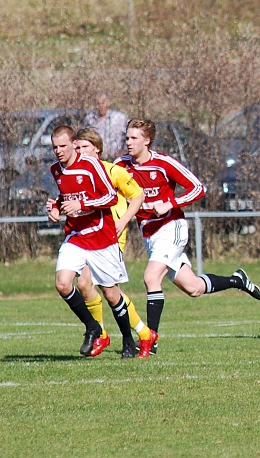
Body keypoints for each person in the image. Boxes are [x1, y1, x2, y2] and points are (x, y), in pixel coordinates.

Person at [116, 119, 260, 355]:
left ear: (147, 140)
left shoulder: (163, 163)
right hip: (150, 235)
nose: (128, 142)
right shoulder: (121, 165)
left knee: (151, 277)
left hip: (172, 227)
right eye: (127, 137)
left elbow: (198, 188)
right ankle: (237, 280)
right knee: (193, 288)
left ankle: (150, 341)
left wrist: (169, 203)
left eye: (134, 138)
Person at [72, 127, 156, 359]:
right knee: (85, 285)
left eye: (84, 148)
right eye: (76, 148)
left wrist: (123, 221)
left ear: (97, 149)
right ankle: (101, 334)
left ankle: (143, 333)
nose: (79, 152)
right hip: (86, 238)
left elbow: (137, 196)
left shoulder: (113, 171)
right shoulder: (75, 172)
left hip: (111, 238)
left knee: (111, 293)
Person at [46, 125, 118, 357]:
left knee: (111, 292)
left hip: (99, 234)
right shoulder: (55, 169)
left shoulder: (90, 165)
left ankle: (133, 336)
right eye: (55, 147)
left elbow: (111, 196)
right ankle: (93, 327)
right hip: (74, 236)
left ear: (74, 144)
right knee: (63, 284)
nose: (58, 151)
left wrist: (82, 204)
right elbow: (65, 197)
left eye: (63, 146)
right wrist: (55, 209)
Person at [83, 92, 130, 161]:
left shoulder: (119, 118)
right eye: (98, 103)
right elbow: (84, 137)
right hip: (96, 159)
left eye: (103, 103)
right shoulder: (90, 119)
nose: (100, 106)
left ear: (108, 103)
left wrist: (124, 150)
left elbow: (129, 134)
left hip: (115, 159)